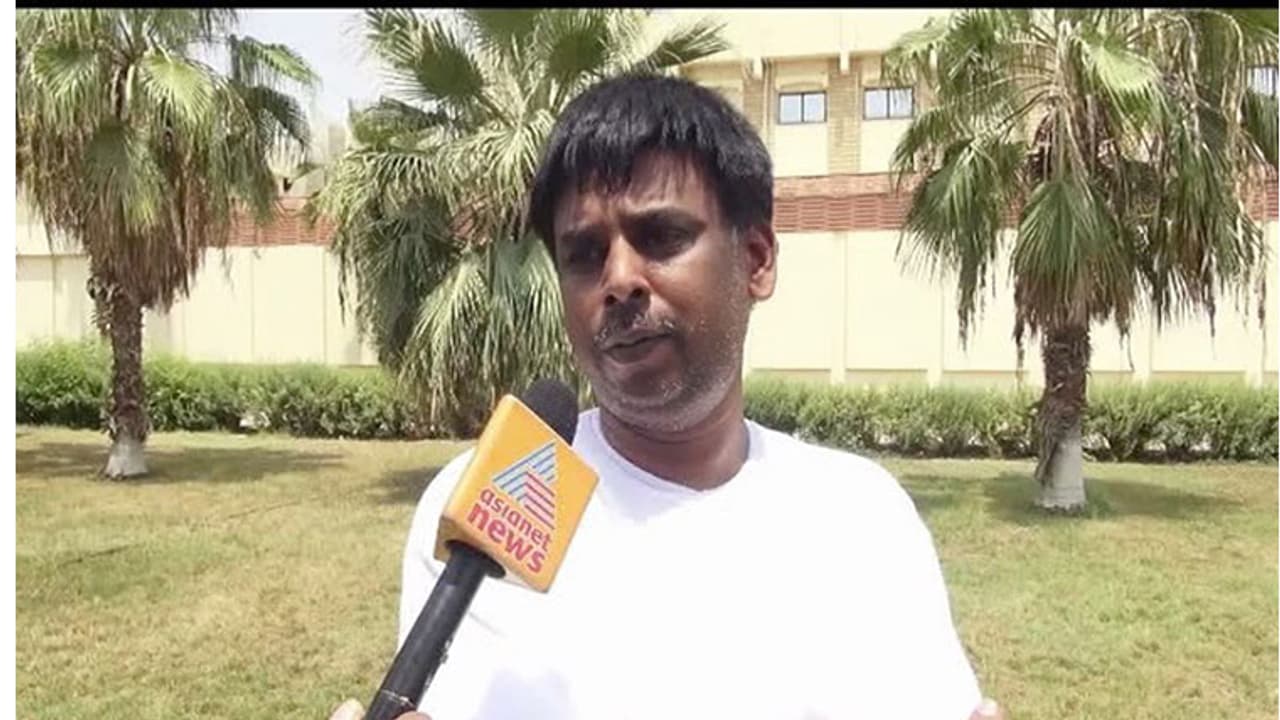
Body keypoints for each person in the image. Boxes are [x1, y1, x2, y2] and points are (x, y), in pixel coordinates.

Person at [333, 74, 1005, 720]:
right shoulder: (491, 505)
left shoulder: (862, 516)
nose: (620, 279)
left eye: (661, 238)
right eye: (584, 254)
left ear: (756, 260)